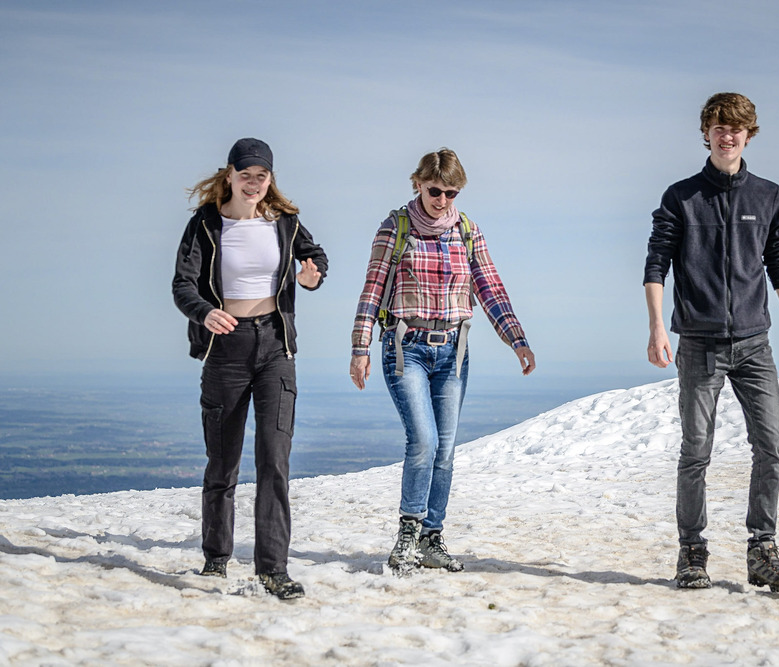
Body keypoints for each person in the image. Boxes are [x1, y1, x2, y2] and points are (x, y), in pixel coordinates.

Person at [643, 93, 779, 592]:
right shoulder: (681, 196)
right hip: (699, 343)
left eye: (735, 128)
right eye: (718, 127)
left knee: (771, 446)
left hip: (756, 343)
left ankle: (763, 550)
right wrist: (656, 328)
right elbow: (656, 264)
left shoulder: (768, 195)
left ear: (748, 135)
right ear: (706, 134)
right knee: (696, 450)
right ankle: (692, 554)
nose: (726, 135)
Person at [350, 148, 535, 574]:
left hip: (454, 351)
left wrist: (517, 340)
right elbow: (372, 290)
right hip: (406, 348)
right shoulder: (395, 229)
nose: (442, 200)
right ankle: (408, 535)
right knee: (424, 441)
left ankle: (432, 539)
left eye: (451, 193)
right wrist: (360, 349)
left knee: (446, 450)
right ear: (418, 184)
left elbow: (490, 287)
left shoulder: (467, 231)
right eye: (435, 191)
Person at [172, 138, 328, 600]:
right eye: (246, 175)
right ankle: (216, 559)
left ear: (270, 179)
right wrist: (204, 313)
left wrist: (312, 276)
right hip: (226, 347)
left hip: (276, 346)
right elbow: (182, 284)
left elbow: (316, 258)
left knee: (274, 461)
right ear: (230, 175)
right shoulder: (205, 223)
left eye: (262, 176)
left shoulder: (285, 221)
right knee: (223, 463)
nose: (254, 183)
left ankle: (273, 569)